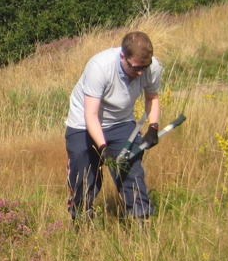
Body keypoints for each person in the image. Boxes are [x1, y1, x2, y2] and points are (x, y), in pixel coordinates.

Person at [66, 31, 162, 222]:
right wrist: (103, 147)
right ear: (122, 56)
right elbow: (91, 114)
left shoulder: (152, 68)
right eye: (136, 67)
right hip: (83, 123)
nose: (141, 72)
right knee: (83, 174)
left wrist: (153, 127)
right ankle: (81, 218)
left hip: (121, 121)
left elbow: (152, 97)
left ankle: (140, 218)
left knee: (131, 168)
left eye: (145, 67)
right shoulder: (100, 67)